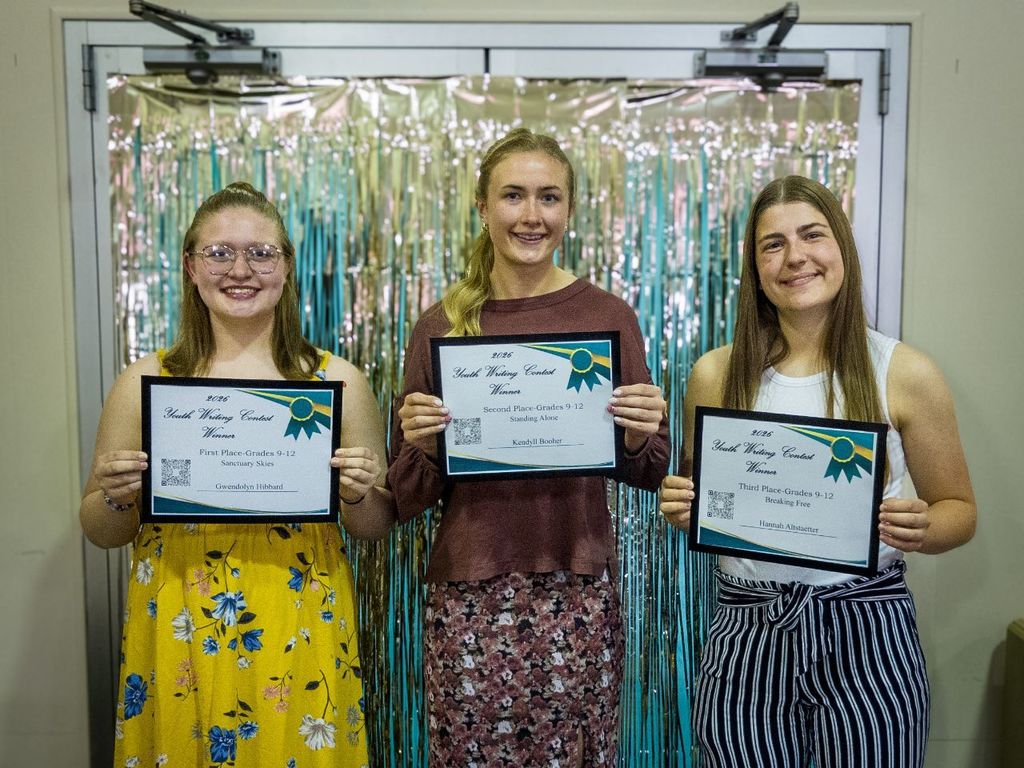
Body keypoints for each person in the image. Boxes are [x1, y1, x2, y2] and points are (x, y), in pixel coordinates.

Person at [660, 175, 976, 767]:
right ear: (754, 268)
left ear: (843, 249)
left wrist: (923, 529)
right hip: (746, 629)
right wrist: (684, 507)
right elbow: (706, 504)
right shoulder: (714, 375)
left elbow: (959, 511)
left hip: (867, 625)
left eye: (812, 235)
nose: (795, 257)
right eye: (772, 244)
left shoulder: (905, 372)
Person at [79, 182, 394, 767]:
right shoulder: (146, 383)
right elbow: (100, 528)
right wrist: (119, 498)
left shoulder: (337, 382)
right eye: (220, 253)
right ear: (191, 267)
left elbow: (374, 526)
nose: (241, 269)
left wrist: (358, 493)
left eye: (261, 253)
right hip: (179, 616)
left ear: (285, 267)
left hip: (298, 617)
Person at [387, 127, 670, 765]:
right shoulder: (440, 324)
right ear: (482, 207)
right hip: (468, 593)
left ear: (569, 210)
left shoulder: (607, 315)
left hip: (578, 587)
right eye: (513, 196)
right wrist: (425, 443)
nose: (532, 215)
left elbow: (651, 470)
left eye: (549, 197)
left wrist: (638, 427)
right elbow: (404, 494)